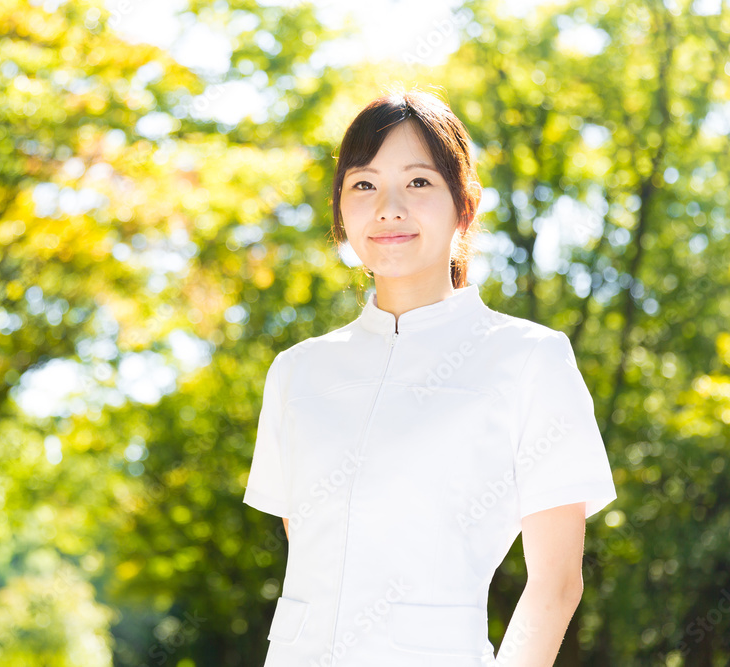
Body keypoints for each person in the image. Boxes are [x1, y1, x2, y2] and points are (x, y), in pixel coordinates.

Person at [242, 88, 618, 667]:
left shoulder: (528, 360)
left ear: (464, 206)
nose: (388, 206)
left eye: (418, 183)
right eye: (363, 184)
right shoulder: (298, 372)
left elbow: (556, 583)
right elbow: (312, 553)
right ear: (341, 210)